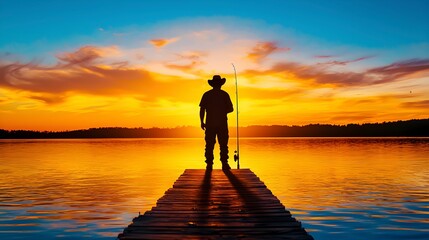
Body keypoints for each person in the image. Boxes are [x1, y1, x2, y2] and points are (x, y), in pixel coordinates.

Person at [199, 75, 234, 170]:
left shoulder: (207, 94)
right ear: (220, 84)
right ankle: (224, 164)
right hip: (221, 124)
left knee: (210, 145)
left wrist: (202, 122)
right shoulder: (224, 94)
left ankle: (209, 164)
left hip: (210, 124)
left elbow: (202, 109)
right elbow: (231, 109)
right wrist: (222, 111)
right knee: (223, 144)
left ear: (213, 84)